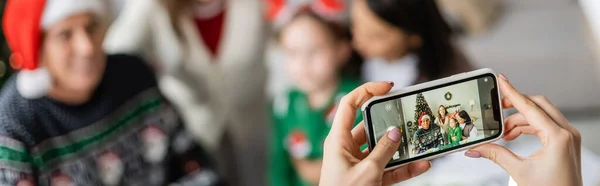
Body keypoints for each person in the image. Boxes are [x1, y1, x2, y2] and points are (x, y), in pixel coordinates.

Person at [0, 0, 223, 185]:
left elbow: (195, 165)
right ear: (39, 48)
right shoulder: (15, 124)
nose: (86, 47)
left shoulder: (135, 75)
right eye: (65, 35)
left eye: (91, 27)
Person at [104, 0, 269, 185]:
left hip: (258, 132)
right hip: (193, 139)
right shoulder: (154, 9)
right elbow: (110, 55)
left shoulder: (253, 4)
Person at [318, 74, 582, 186]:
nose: (428, 121)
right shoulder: (429, 129)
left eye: (447, 116)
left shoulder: (451, 125)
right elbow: (433, 141)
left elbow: (448, 136)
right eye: (423, 121)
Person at [269, 7, 362, 186]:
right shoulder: (283, 104)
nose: (303, 63)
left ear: (341, 50)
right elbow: (278, 166)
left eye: (315, 50)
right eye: (292, 53)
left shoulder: (357, 99)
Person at [351, 0, 472, 89]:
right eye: (355, 24)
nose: (357, 41)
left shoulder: (450, 77)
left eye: (375, 36)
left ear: (414, 38)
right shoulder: (349, 54)